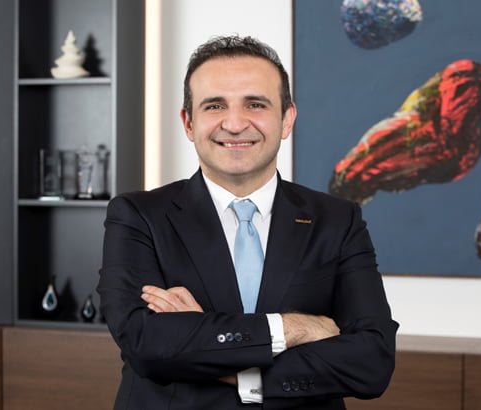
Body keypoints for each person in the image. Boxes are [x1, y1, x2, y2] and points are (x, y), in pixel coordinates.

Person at [98, 35, 398, 410]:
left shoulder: (338, 219)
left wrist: (213, 353)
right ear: (188, 122)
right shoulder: (137, 215)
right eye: (215, 106)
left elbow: (372, 362)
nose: (235, 123)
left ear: (286, 119)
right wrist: (295, 328)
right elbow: (147, 344)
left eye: (255, 104)